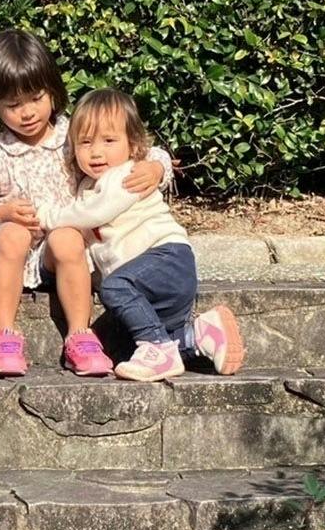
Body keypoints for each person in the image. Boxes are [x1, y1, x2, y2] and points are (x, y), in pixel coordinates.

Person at [0, 29, 171, 376]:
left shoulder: (74, 137)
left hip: (56, 255)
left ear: (53, 91)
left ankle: (80, 336)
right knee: (13, 234)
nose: (27, 113)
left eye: (36, 98)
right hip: (7, 251)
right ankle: (4, 336)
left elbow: (133, 146)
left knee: (68, 235)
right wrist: (1, 212)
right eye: (13, 105)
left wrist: (156, 167)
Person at [36, 88, 245, 382]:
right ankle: (200, 335)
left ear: (133, 144)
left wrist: (46, 216)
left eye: (109, 141)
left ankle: (158, 347)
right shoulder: (87, 186)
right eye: (85, 142)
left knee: (114, 288)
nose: (96, 152)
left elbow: (93, 214)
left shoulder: (127, 175)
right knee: (117, 346)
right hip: (147, 287)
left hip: (166, 260)